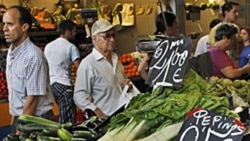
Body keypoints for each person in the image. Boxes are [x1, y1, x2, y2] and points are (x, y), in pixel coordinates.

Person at [2, 5, 54, 134]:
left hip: (36, 122)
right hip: (21, 118)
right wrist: (14, 118)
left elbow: (32, 99)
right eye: (4, 24)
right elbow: (17, 94)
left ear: (24, 27)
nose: (4, 29)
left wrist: (20, 131)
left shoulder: (33, 57)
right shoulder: (11, 52)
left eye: (10, 24)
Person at [73, 19, 132, 120]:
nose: (112, 39)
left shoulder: (116, 59)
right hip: (105, 120)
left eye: (114, 35)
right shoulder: (88, 64)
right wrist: (96, 111)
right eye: (107, 36)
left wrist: (125, 86)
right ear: (94, 38)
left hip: (123, 116)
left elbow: (118, 84)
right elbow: (79, 96)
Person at [44, 20, 80, 123]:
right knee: (68, 122)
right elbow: (80, 69)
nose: (75, 34)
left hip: (51, 86)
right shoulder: (71, 47)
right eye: (74, 31)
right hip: (64, 86)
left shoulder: (48, 46)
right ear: (68, 32)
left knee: (62, 117)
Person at [138, 12, 179, 80]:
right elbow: (140, 69)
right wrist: (154, 85)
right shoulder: (158, 45)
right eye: (175, 24)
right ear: (168, 28)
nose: (177, 27)